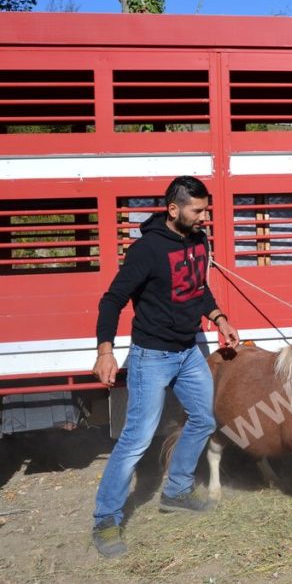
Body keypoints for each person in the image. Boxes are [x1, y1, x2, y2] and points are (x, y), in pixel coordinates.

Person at [91, 176, 239, 558]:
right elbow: (112, 300)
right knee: (136, 440)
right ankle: (106, 520)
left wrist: (219, 317)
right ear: (173, 210)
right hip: (151, 357)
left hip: (188, 352)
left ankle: (175, 491)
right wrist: (105, 351)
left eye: (206, 209)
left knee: (204, 419)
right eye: (198, 210)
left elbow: (196, 287)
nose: (204, 216)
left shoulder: (199, 241)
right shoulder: (147, 250)